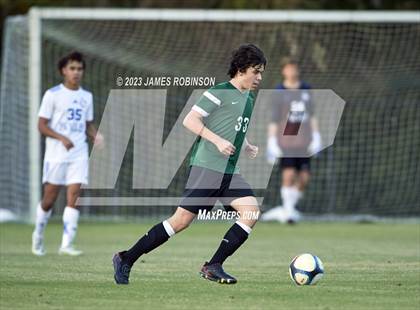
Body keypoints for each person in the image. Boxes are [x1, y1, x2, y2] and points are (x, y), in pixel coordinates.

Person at [113, 43, 266, 285]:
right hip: (206, 169)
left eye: (261, 72)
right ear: (241, 69)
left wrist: (246, 145)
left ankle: (213, 265)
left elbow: (233, 126)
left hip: (229, 171)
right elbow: (190, 120)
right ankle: (126, 258)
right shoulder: (219, 91)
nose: (259, 77)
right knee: (180, 221)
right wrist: (216, 141)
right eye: (255, 71)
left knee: (251, 212)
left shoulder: (247, 98)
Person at [31, 51, 103, 256]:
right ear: (64, 70)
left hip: (79, 152)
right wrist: (61, 137)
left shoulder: (86, 96)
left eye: (79, 69)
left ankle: (67, 244)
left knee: (75, 196)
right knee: (49, 199)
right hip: (56, 155)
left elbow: (87, 124)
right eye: (72, 68)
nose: (76, 72)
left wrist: (96, 135)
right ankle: (38, 234)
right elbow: (41, 125)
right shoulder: (52, 94)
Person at [263, 58, 321, 223]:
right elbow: (274, 119)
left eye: (294, 68)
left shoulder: (306, 89)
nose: (292, 71)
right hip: (286, 140)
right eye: (288, 68)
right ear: (284, 71)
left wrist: (316, 136)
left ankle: (288, 209)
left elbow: (312, 115)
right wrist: (271, 141)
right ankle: (288, 213)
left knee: (304, 178)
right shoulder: (279, 91)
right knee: (288, 175)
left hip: (304, 140)